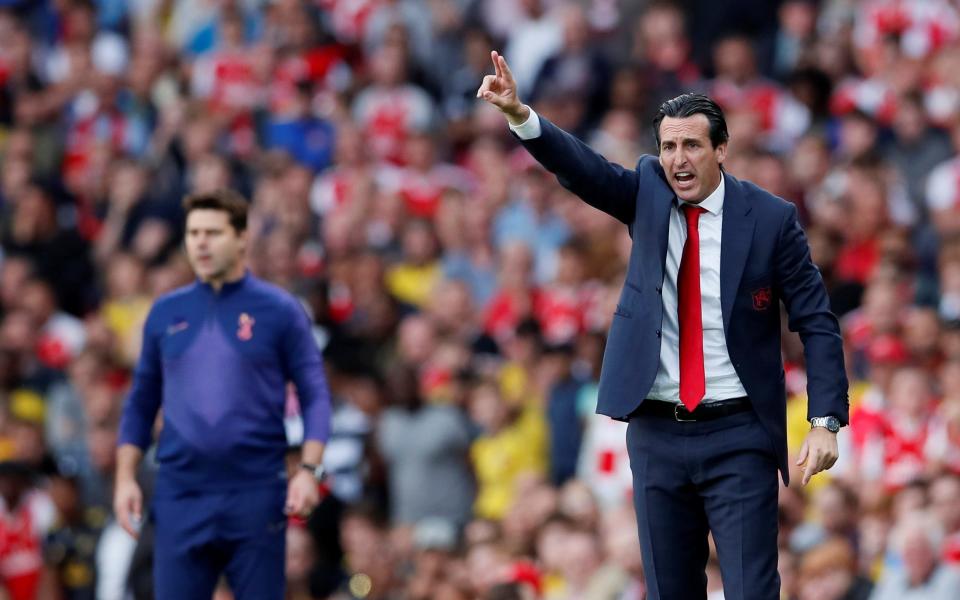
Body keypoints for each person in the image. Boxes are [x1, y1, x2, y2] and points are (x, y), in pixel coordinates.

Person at [478, 51, 849, 599]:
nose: (678, 158)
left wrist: (825, 420)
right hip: (656, 432)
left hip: (738, 432)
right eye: (669, 146)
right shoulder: (648, 193)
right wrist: (519, 115)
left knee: (751, 591)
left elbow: (817, 321)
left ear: (721, 150)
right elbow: (583, 169)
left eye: (692, 145)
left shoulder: (771, 218)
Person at [113, 189, 332, 599]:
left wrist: (309, 470)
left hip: (254, 490)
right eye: (193, 232)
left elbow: (315, 393)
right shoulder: (165, 314)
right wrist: (125, 477)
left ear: (242, 238)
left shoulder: (279, 310)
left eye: (212, 232)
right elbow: (141, 401)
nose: (200, 242)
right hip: (181, 491)